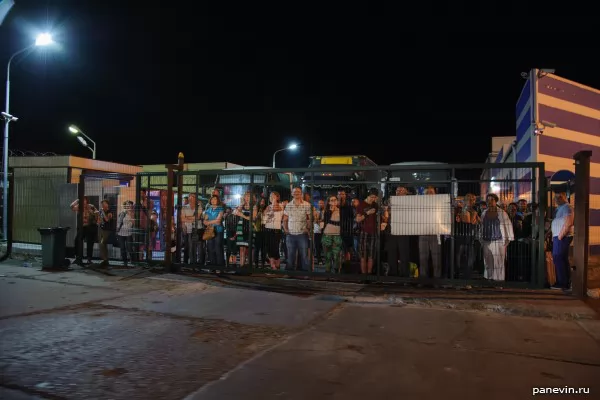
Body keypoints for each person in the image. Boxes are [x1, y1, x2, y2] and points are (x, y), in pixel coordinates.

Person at [480, 193, 514, 281]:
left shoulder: (502, 213)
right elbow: (481, 226)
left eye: (492, 200)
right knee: (488, 261)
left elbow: (508, 225)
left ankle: (498, 281)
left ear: (496, 201)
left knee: (499, 262)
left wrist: (509, 238)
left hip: (498, 240)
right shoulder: (484, 213)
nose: (489, 202)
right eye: (488, 200)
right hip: (487, 240)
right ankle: (489, 278)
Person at [283, 187, 312, 271]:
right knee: (290, 255)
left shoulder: (306, 204)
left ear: (301, 193)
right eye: (294, 192)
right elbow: (285, 219)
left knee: (304, 255)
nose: (296, 193)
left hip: (302, 234)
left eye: (298, 192)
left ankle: (305, 273)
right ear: (292, 194)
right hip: (291, 234)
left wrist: (308, 228)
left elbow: (310, 218)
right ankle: (289, 272)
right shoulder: (288, 205)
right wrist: (285, 229)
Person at [551, 192, 574, 290]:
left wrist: (560, 236)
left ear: (565, 197)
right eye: (555, 197)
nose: (557, 199)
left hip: (562, 237)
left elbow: (568, 222)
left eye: (560, 197)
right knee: (562, 259)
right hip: (559, 236)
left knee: (558, 258)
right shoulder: (561, 208)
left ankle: (562, 283)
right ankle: (565, 282)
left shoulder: (566, 207)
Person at [355, 188, 379, 279]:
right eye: (372, 197)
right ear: (368, 195)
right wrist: (367, 213)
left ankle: (369, 276)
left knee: (371, 255)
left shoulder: (375, 205)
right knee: (363, 255)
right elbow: (357, 219)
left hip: (373, 232)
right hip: (363, 232)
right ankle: (364, 276)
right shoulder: (361, 205)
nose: (373, 199)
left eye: (375, 197)